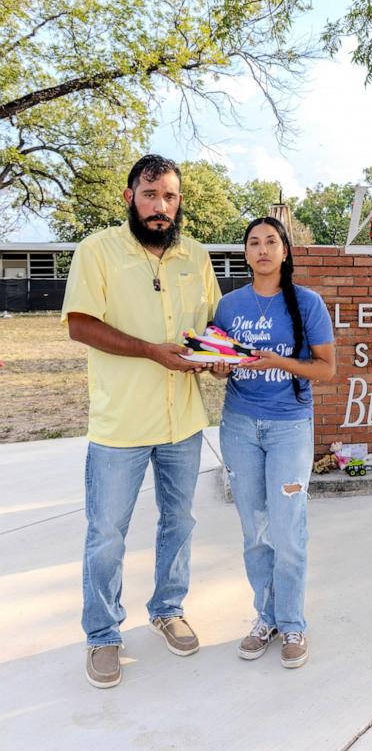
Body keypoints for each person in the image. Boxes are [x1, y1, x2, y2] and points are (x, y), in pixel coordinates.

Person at [61, 154, 220, 688]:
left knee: (180, 522)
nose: (160, 206)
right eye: (150, 195)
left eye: (170, 196)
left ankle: (167, 609)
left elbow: (210, 327)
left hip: (184, 422)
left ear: (179, 202)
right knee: (106, 533)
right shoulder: (98, 250)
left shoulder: (195, 256)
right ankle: (103, 634)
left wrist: (222, 356)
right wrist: (151, 351)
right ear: (129, 196)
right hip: (121, 424)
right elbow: (80, 325)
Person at [211, 216, 335, 669]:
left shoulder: (308, 304)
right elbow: (219, 360)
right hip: (240, 426)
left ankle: (293, 621)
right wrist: (219, 367)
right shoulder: (228, 306)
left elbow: (326, 369)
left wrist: (283, 361)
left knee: (288, 529)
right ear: (245, 254)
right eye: (253, 243)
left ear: (285, 251)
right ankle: (264, 618)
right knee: (255, 530)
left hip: (288, 427)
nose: (262, 249)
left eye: (271, 242)